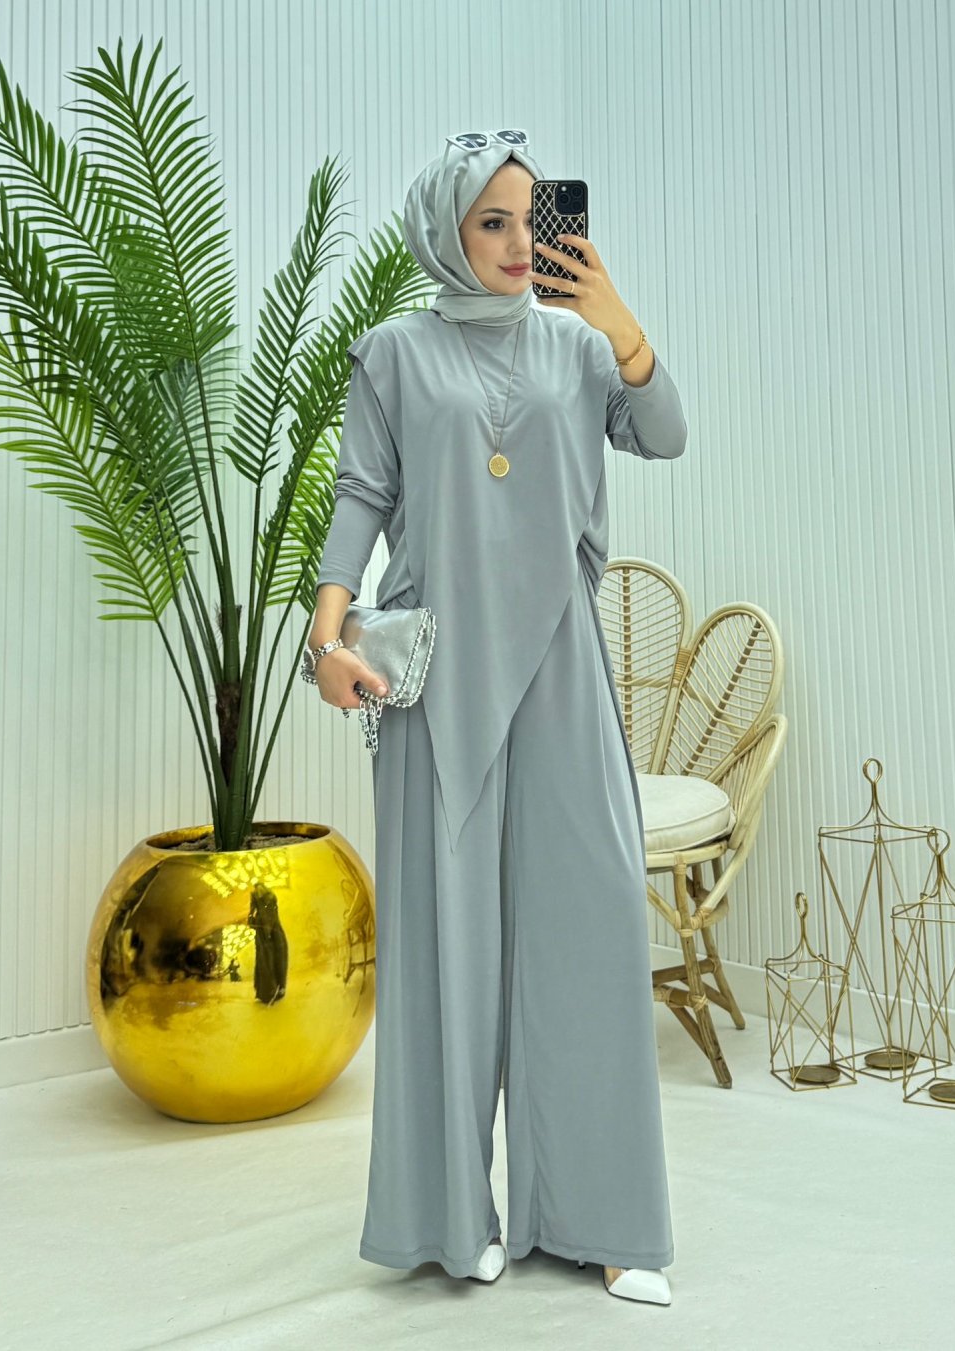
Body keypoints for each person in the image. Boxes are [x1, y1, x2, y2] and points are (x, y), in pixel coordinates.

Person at [307, 130, 688, 1306]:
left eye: (533, 219)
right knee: (447, 951)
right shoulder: (394, 354)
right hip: (439, 682)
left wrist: (621, 325)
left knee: (591, 938)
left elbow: (664, 433)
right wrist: (325, 639)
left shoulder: (580, 344)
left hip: (562, 668)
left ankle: (605, 1218)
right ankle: (447, 1216)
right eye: (494, 222)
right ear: (446, 230)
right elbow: (361, 497)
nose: (522, 243)